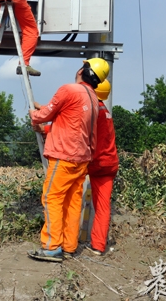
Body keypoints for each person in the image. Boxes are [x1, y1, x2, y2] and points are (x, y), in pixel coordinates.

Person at [27, 58, 110, 262]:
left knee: (51, 198)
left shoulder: (69, 89)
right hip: (82, 159)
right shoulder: (92, 97)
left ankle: (51, 246)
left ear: (83, 70)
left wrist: (35, 113)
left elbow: (43, 115)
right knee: (73, 202)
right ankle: (69, 246)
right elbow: (68, 118)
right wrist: (46, 110)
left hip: (64, 156)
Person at [86, 79, 119, 256]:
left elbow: (75, 129)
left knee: (69, 197)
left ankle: (67, 239)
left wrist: (46, 130)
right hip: (110, 163)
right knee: (103, 206)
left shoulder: (92, 110)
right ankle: (98, 245)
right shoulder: (106, 111)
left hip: (95, 163)